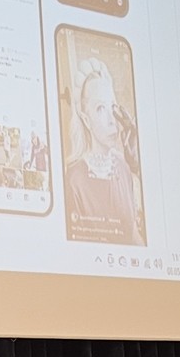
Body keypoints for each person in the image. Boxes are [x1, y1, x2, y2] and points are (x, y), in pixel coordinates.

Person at [63, 59, 142, 245]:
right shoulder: (74, 179)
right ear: (86, 120)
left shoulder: (124, 169)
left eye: (112, 106)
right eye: (100, 108)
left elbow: (134, 235)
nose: (111, 120)